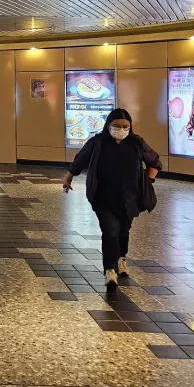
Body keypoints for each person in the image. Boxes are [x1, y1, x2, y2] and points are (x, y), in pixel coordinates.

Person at [62, 108, 162, 291]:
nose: (121, 129)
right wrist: (69, 176)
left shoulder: (136, 143)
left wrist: (149, 180)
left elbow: (154, 162)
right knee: (110, 230)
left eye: (125, 126)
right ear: (108, 125)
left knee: (123, 230)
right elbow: (81, 159)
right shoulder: (98, 142)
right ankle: (110, 269)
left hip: (130, 197)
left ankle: (121, 257)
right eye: (116, 126)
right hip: (103, 196)